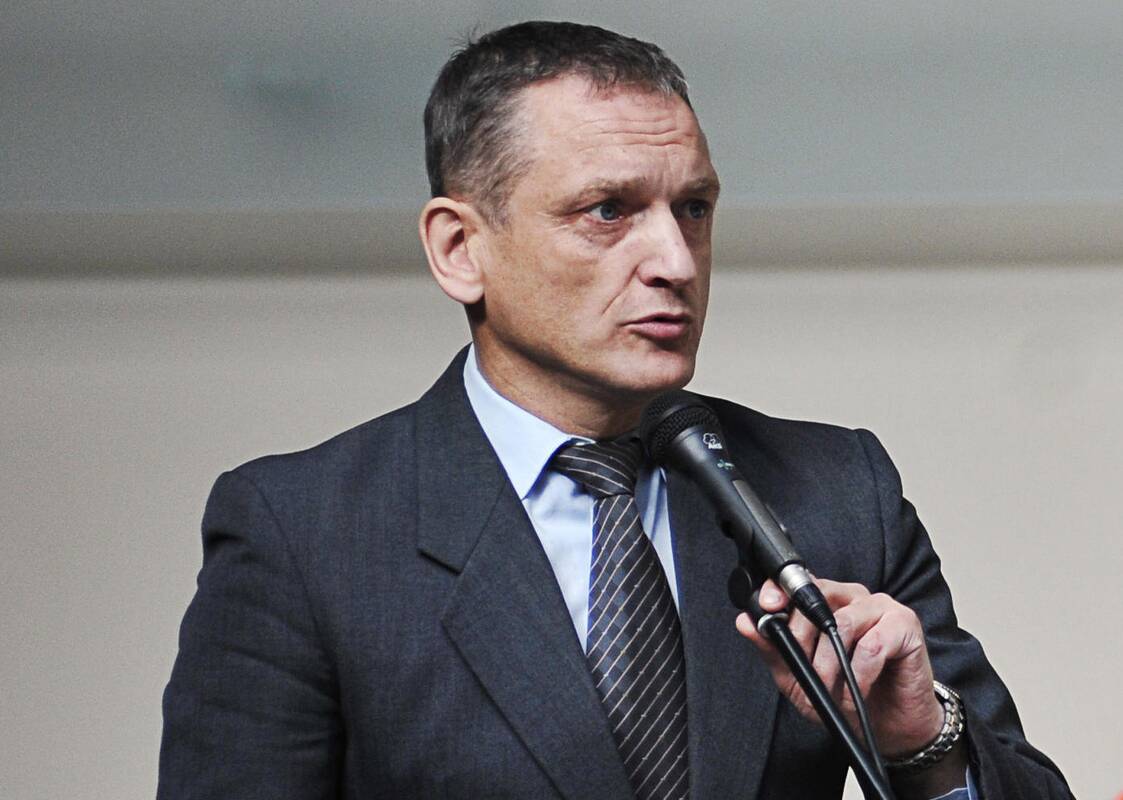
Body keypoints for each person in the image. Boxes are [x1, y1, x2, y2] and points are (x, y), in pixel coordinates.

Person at [158, 21, 1072, 800]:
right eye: (606, 211)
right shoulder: (304, 532)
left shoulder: (836, 491)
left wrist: (923, 740)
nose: (674, 260)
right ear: (459, 249)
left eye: (694, 209)